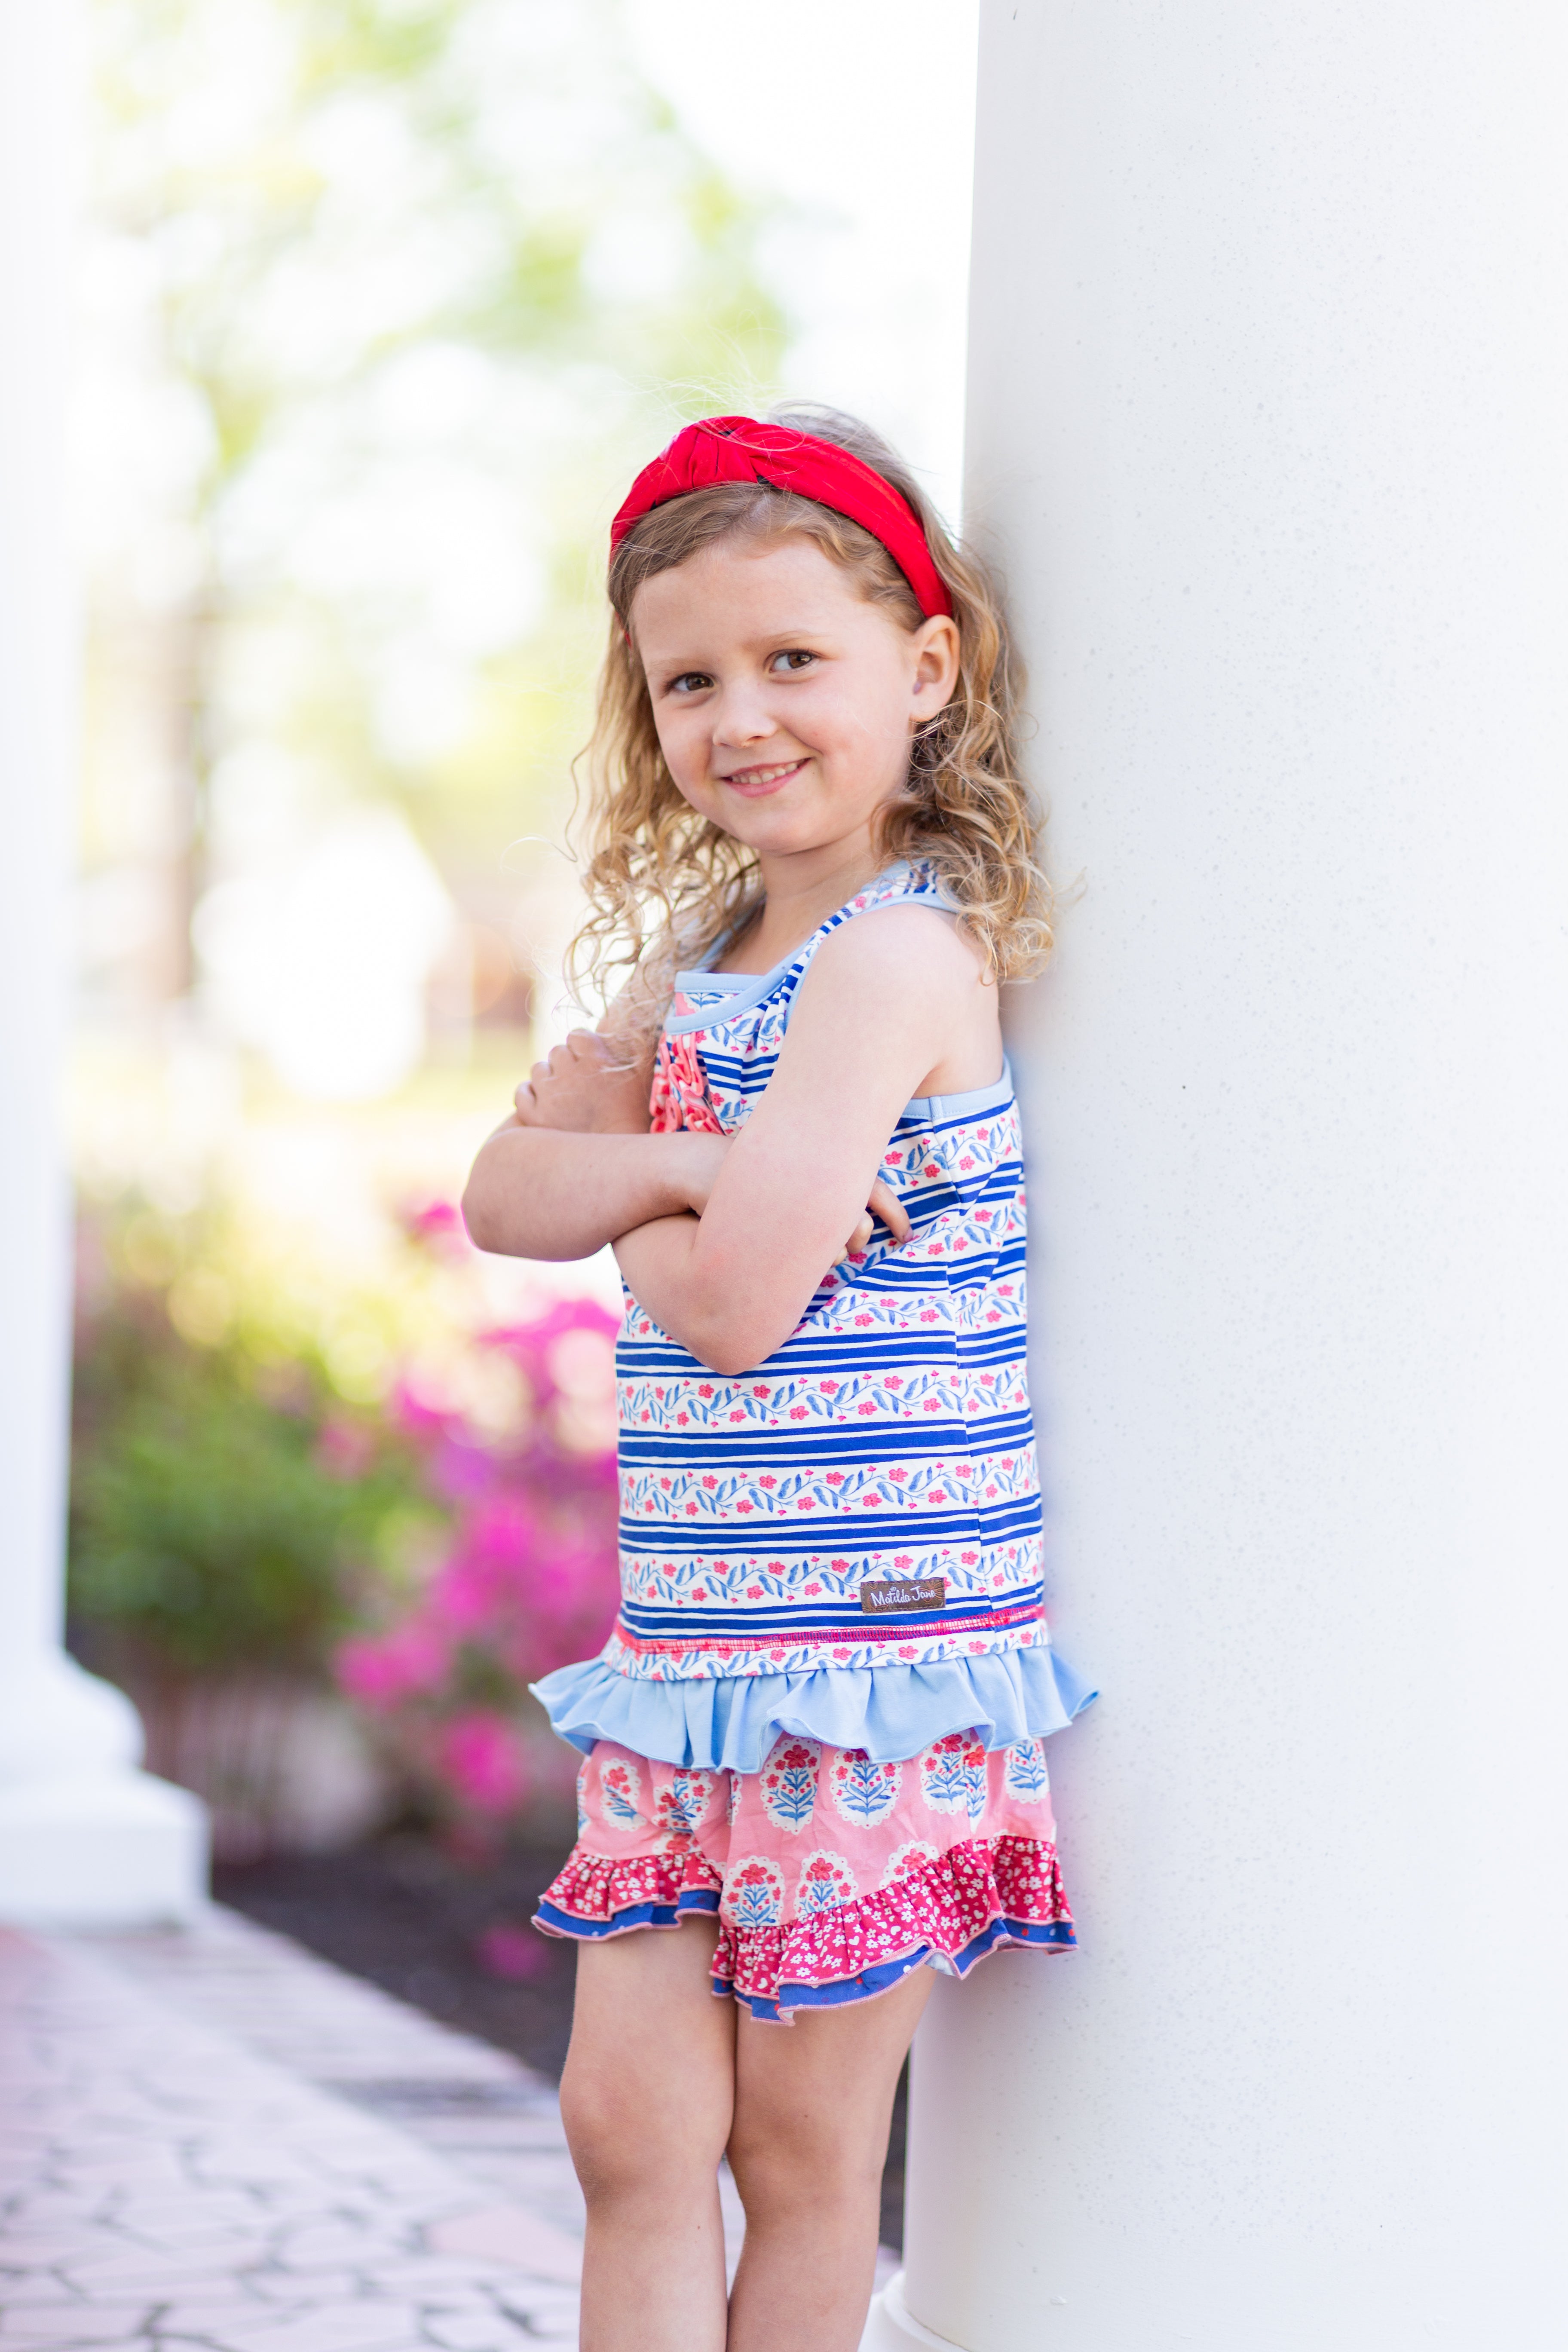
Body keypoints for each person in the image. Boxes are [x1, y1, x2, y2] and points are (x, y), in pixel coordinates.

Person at [462, 407, 1093, 2352]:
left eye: (793, 659)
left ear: (927, 667)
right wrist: (684, 1160)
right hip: (694, 1653)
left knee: (803, 2158)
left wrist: (637, 1182)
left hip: (867, 1658)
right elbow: (500, 1193)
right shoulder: (703, 953)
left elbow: (733, 1310)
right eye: (690, 681)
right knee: (627, 2128)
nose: (741, 717)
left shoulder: (901, 959)